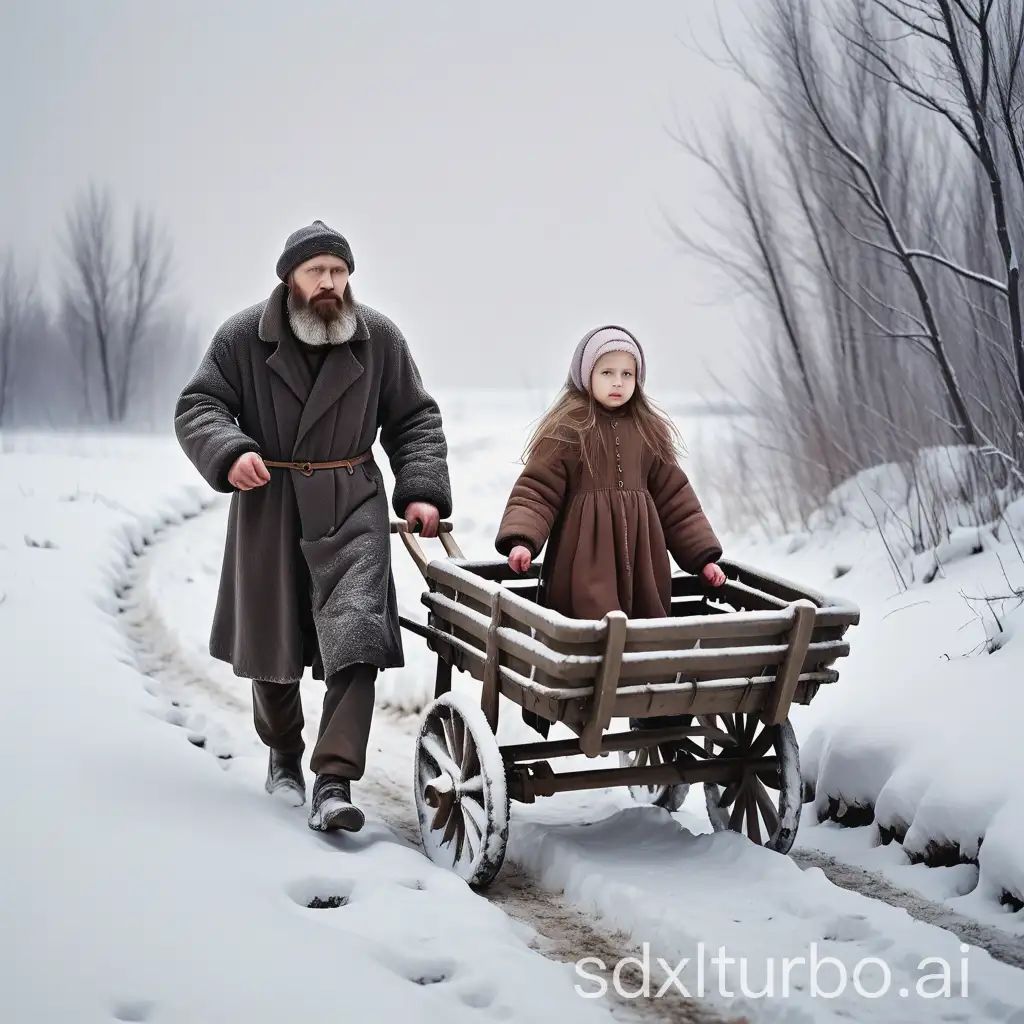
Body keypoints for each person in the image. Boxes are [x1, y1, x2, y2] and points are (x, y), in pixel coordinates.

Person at [174, 219, 451, 832]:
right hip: (268, 502)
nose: (329, 283)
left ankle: (334, 779)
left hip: (353, 503)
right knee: (274, 650)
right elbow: (199, 405)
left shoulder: (377, 338)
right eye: (316, 271)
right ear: (290, 279)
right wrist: (229, 450)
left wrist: (423, 489)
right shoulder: (243, 337)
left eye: (339, 271)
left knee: (358, 641)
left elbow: (414, 420)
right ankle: (283, 752)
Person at [494, 325, 724, 733]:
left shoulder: (649, 432)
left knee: (648, 630)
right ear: (586, 375)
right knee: (595, 627)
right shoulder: (568, 429)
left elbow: (676, 499)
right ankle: (585, 695)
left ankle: (655, 707)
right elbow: (538, 490)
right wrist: (522, 539)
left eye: (627, 374)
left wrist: (702, 557)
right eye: (607, 373)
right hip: (585, 558)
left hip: (644, 558)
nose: (618, 383)